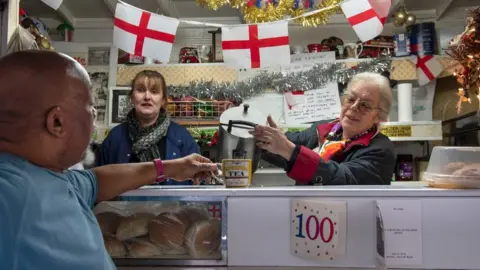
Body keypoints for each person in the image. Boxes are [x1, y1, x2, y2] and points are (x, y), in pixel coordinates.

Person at [0, 51, 217, 270]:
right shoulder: (11, 197)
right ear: (57, 122)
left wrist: (172, 167)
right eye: (91, 109)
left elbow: (96, 180)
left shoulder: (56, 178)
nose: (94, 121)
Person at [252, 72, 395, 185]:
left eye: (365, 105)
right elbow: (286, 145)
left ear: (379, 116)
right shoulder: (323, 129)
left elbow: (341, 176)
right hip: (305, 215)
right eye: (350, 99)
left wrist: (289, 150)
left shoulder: (380, 150)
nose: (353, 107)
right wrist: (250, 127)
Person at [97, 70, 199, 185]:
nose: (147, 96)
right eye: (140, 90)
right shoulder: (114, 138)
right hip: (122, 203)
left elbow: (197, 185)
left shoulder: (182, 137)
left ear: (163, 100)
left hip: (172, 203)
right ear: (131, 97)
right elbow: (99, 183)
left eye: (154, 91)